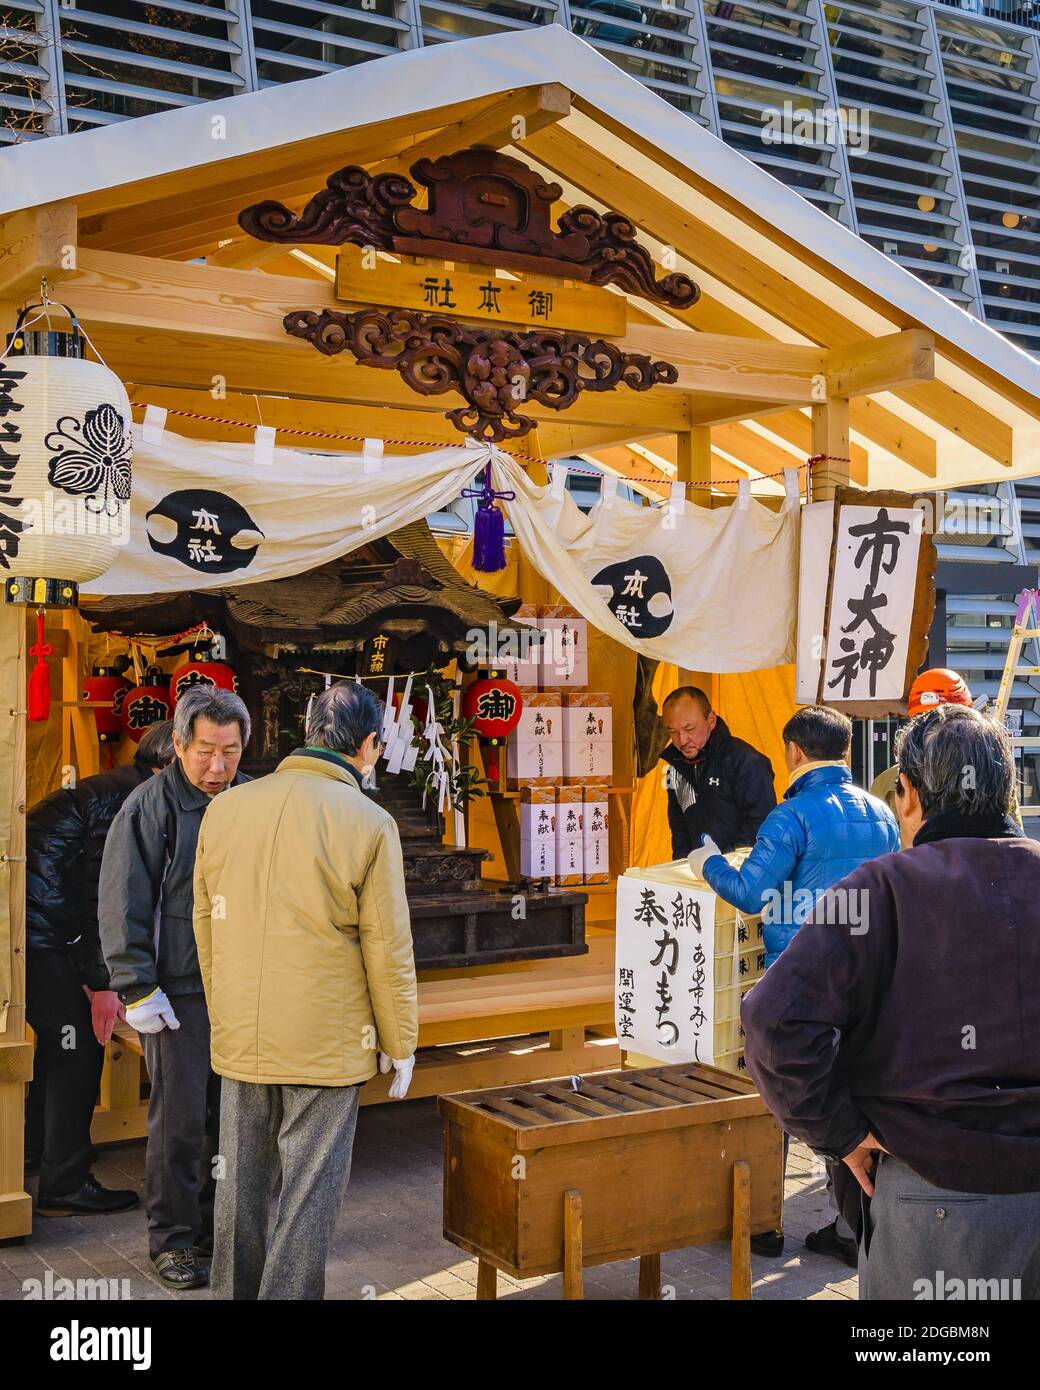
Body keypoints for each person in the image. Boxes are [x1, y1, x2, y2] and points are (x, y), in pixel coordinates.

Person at [741, 704, 1040, 1300]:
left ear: (907, 794)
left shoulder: (882, 888)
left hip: (930, 1196)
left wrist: (840, 1134)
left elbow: (773, 1020)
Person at [193, 683, 418, 1301]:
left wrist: (225, 1011)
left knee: (239, 1184)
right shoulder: (370, 822)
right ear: (368, 747)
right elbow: (387, 945)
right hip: (328, 1037)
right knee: (309, 1193)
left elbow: (205, 922)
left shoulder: (228, 808)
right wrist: (400, 1043)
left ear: (309, 731)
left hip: (243, 1032)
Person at [688, 705, 898, 1264]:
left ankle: (764, 1225)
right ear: (846, 752)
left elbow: (753, 893)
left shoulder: (790, 815)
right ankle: (855, 1229)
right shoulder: (883, 812)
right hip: (868, 976)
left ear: (794, 752)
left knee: (780, 1091)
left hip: (801, 976)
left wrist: (707, 863)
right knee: (849, 1093)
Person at [99, 687, 251, 1292]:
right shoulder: (149, 807)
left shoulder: (253, 798)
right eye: (206, 752)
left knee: (232, 1117)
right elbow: (123, 901)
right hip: (177, 991)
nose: (218, 768)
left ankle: (219, 1226)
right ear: (180, 745)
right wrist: (136, 987)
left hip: (240, 984)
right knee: (180, 1120)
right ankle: (172, 1239)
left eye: (231, 752)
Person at [25, 721, 175, 1217]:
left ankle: (37, 1153)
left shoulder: (117, 787)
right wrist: (103, 982)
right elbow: (100, 898)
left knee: (57, 1044)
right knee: (77, 1048)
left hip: (33, 929)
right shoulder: (128, 801)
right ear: (169, 761)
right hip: (41, 935)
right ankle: (63, 1184)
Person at [660, 686, 777, 858]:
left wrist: (719, 864)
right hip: (694, 874)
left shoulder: (745, 761)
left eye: (689, 729)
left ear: (711, 720)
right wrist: (683, 864)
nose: (682, 740)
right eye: (673, 732)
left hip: (741, 872)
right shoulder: (676, 767)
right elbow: (679, 828)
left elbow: (761, 824)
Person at [869, 667, 972, 814]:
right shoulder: (886, 784)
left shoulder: (887, 783)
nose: (935, 732)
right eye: (926, 722)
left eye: (942, 722)